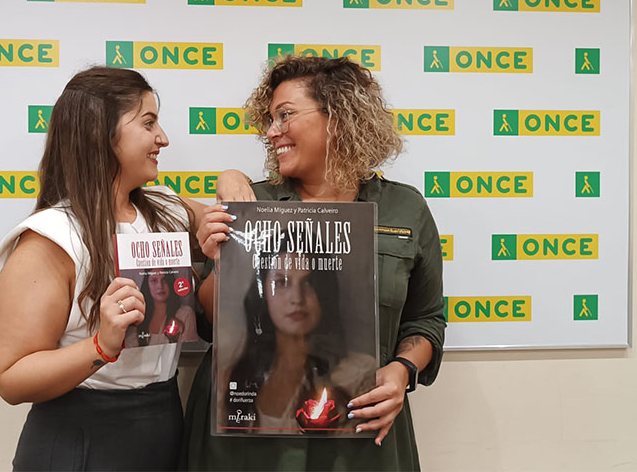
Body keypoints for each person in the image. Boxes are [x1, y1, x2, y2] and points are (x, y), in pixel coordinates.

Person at [184, 55, 446, 470]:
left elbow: (426, 319)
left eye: (284, 115)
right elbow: (212, 322)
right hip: (248, 441)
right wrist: (224, 265)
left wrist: (401, 370)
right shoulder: (252, 205)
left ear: (339, 117)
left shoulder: (404, 209)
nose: (271, 133)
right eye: (269, 119)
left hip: (358, 435)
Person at [0, 66, 204, 471]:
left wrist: (231, 181)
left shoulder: (166, 209)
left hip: (162, 425)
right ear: (100, 134)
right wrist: (100, 347)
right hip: (81, 438)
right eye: (148, 122)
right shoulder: (51, 238)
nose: (163, 138)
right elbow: (11, 378)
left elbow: (230, 221)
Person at [222, 244, 375, 433]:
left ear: (324, 293)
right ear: (262, 293)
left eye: (308, 283)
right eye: (281, 282)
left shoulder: (359, 374)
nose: (297, 298)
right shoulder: (236, 376)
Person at [125, 268, 198, 347]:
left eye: (164, 280)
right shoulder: (136, 316)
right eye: (154, 280)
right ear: (147, 284)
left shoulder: (185, 314)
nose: (160, 286)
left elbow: (186, 353)